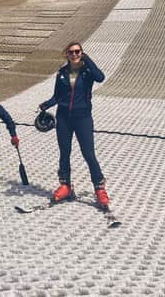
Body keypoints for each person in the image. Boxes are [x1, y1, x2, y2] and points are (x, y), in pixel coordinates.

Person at [39, 41, 110, 209]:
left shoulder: (87, 72)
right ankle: (66, 186)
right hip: (63, 117)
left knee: (88, 153)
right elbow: (58, 96)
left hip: (82, 117)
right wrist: (46, 105)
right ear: (67, 54)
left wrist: (87, 59)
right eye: (71, 52)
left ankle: (99, 188)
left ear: (82, 53)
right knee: (64, 152)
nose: (75, 54)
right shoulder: (62, 73)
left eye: (78, 52)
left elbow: (101, 77)